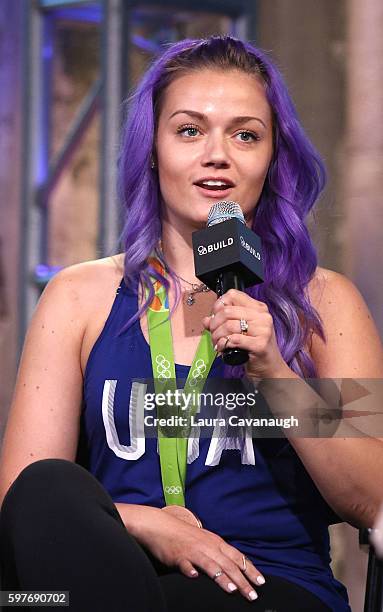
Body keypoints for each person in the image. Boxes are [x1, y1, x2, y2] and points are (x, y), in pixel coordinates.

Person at [0, 35, 383, 612]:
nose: (217, 154)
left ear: (273, 156)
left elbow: (373, 498)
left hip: (261, 585)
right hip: (111, 572)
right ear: (152, 149)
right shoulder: (80, 296)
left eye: (246, 134)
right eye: (188, 130)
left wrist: (276, 374)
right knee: (36, 581)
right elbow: (25, 501)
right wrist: (148, 524)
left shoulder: (322, 303)